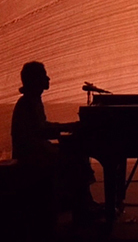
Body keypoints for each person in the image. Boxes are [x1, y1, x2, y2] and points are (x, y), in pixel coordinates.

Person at [11, 61, 98, 227]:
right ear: (35, 80)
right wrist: (67, 127)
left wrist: (65, 128)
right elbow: (41, 131)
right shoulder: (28, 103)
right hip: (31, 155)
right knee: (76, 159)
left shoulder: (31, 101)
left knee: (75, 154)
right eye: (44, 75)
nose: (48, 78)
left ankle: (83, 204)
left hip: (34, 150)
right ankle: (81, 206)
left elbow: (42, 128)